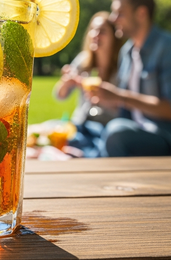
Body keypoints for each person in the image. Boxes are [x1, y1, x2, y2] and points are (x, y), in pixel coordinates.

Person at [89, 0, 171, 156]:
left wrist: (119, 96)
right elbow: (126, 111)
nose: (113, 18)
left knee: (116, 133)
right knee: (88, 128)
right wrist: (108, 99)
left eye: (120, 13)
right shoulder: (127, 52)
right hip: (137, 132)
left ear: (141, 13)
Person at [53, 11, 124, 157]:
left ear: (114, 37)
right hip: (81, 123)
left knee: (97, 150)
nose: (96, 34)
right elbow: (59, 95)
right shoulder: (84, 60)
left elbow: (126, 106)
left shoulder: (123, 65)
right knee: (50, 132)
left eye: (102, 31)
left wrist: (104, 96)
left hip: (107, 127)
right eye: (93, 29)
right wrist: (67, 82)